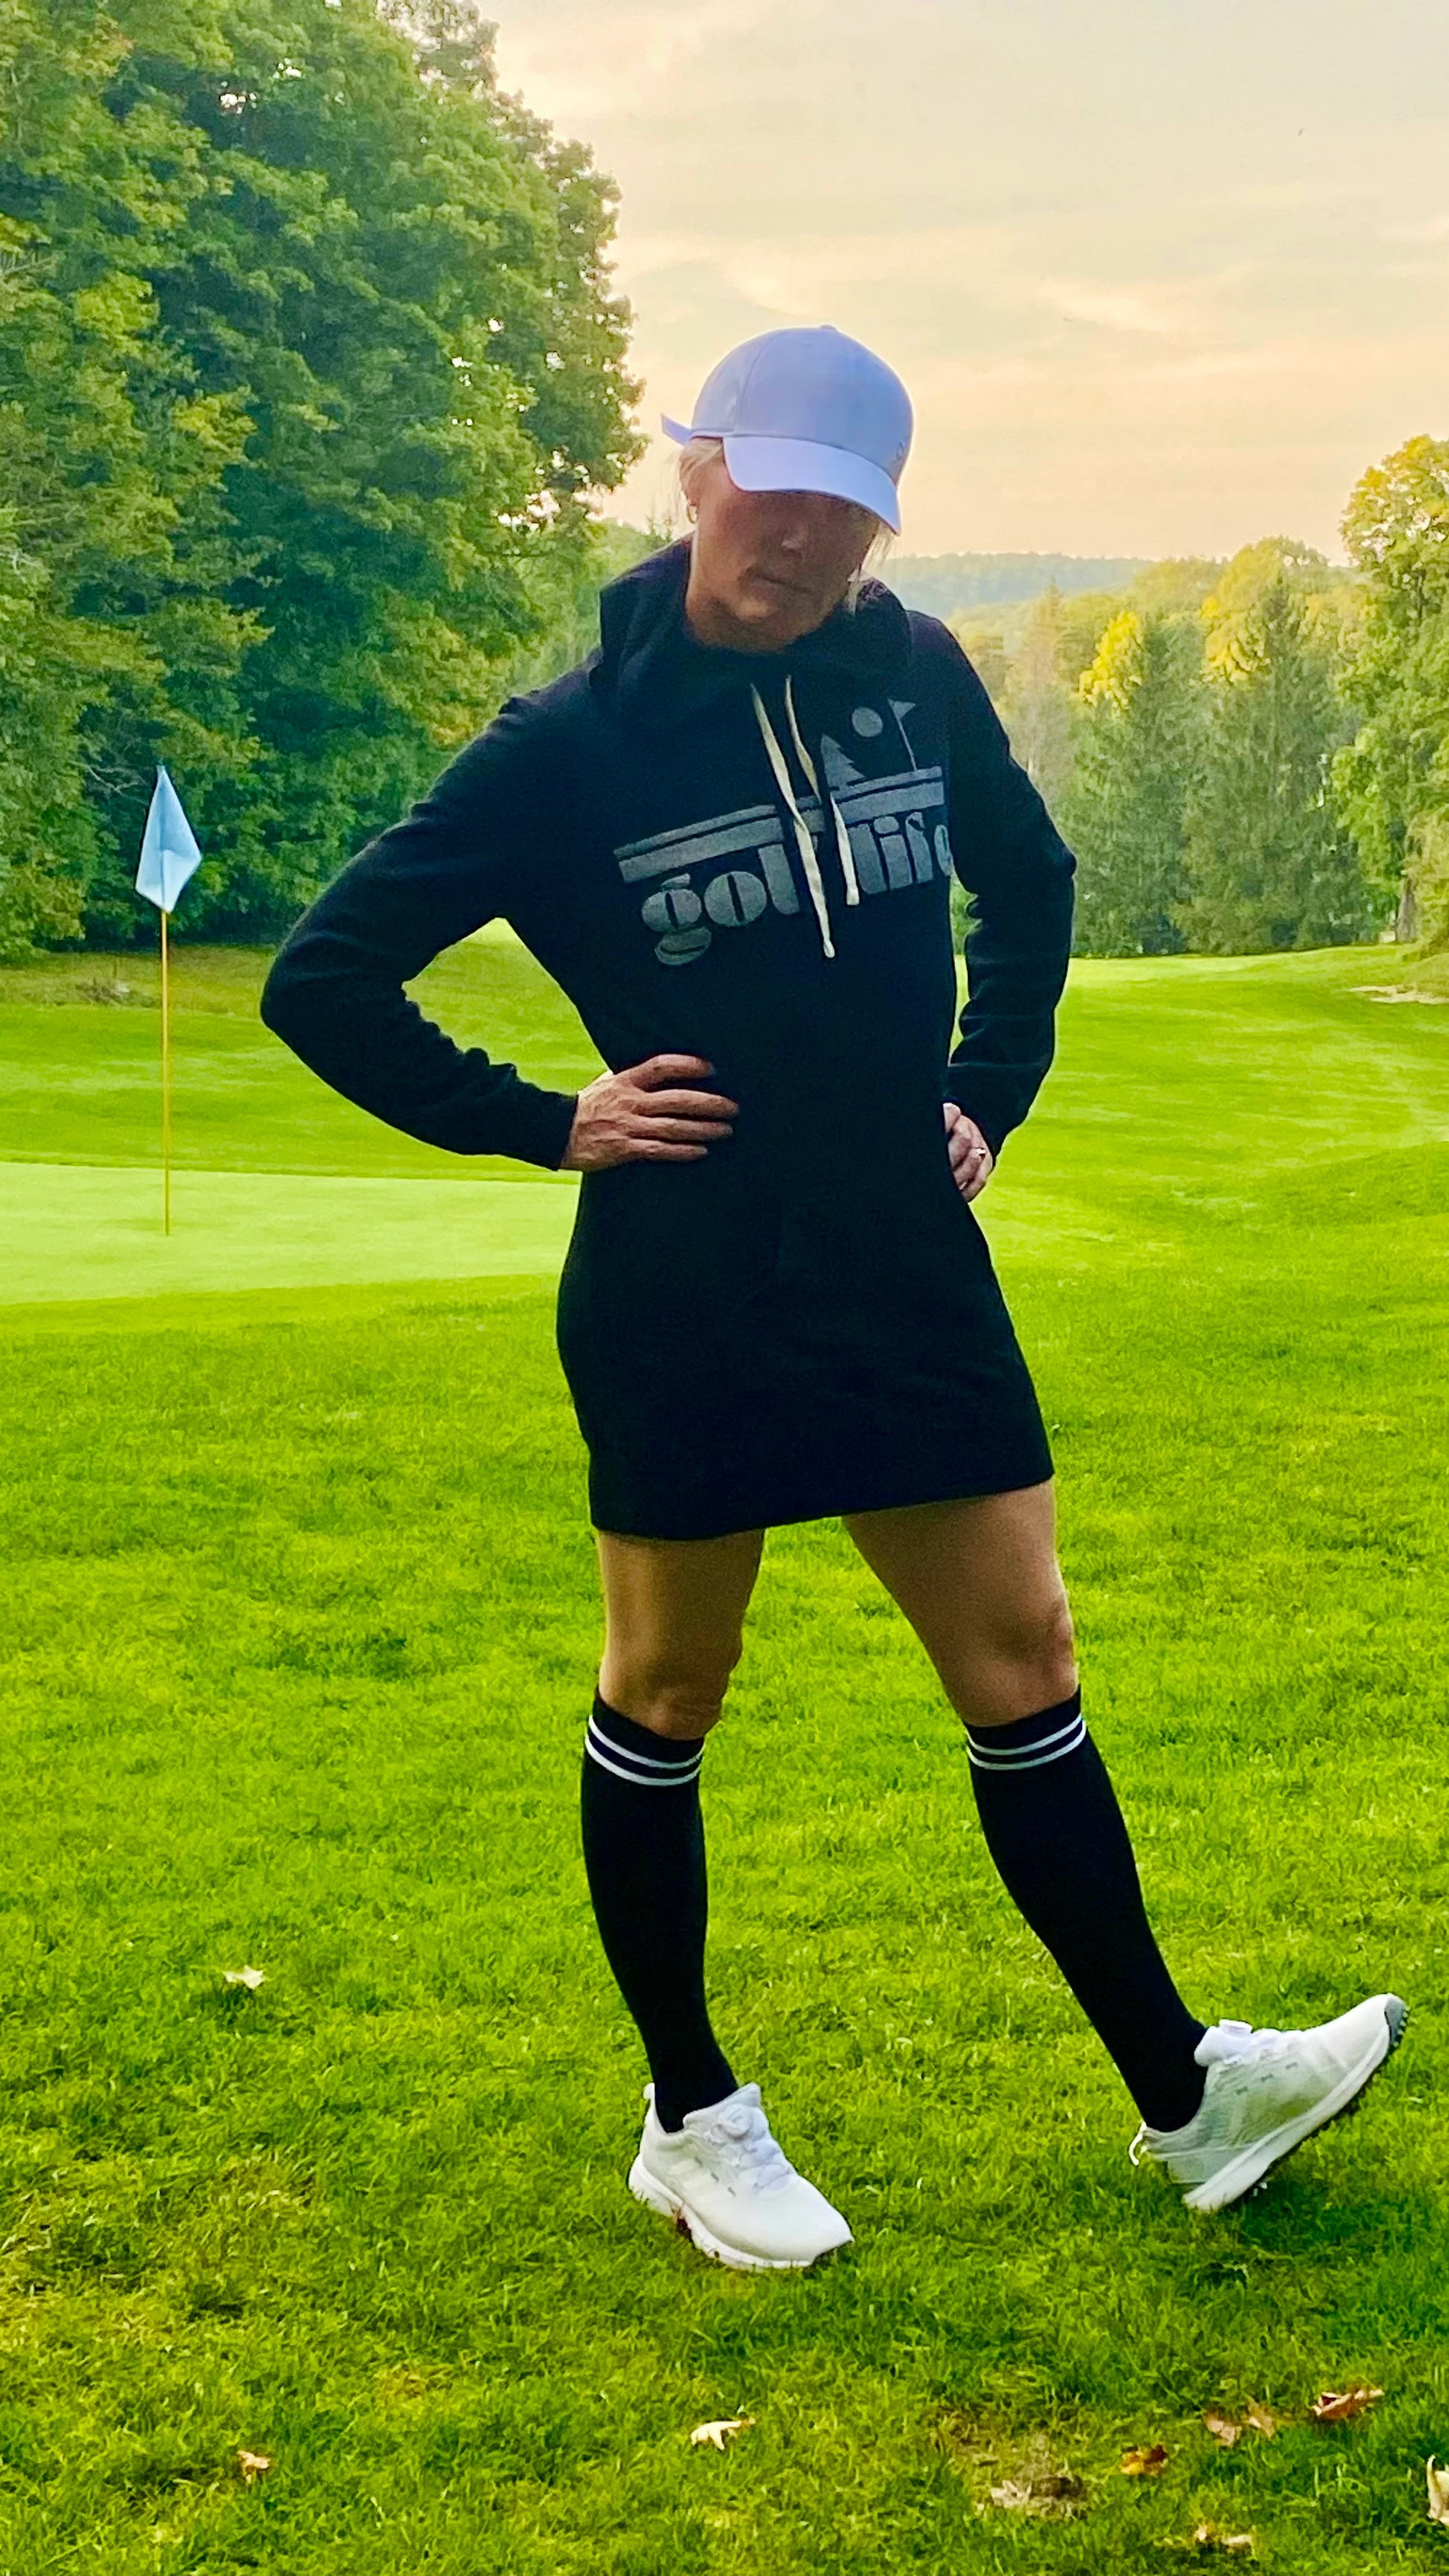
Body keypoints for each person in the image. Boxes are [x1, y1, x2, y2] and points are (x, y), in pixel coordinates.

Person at [261, 325, 1406, 2272]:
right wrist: (545, 1120)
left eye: (839, 515)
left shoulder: (912, 676)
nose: (791, 541)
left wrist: (985, 1087)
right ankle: (692, 2114)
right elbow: (323, 975)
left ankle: (1182, 2088)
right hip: (685, 1281)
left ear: (881, 528)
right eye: (765, 490)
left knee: (1022, 1657)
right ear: (691, 463)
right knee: (669, 1686)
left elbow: (1026, 888)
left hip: (898, 1263)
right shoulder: (566, 745)